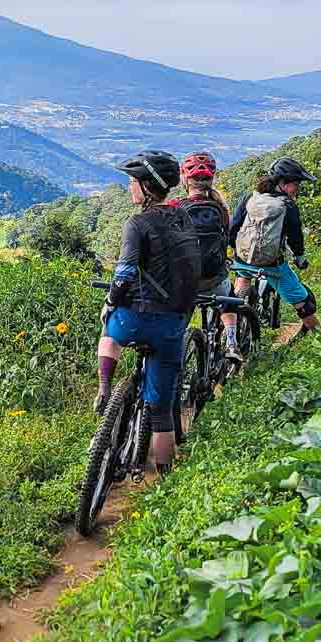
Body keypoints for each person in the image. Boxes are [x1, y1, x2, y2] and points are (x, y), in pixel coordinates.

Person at [95, 150, 202, 474]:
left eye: (132, 182)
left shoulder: (137, 223)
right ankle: (165, 477)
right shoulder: (183, 217)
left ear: (146, 186)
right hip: (173, 323)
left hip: (137, 318)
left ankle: (104, 388)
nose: (129, 187)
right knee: (161, 413)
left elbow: (125, 272)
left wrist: (111, 301)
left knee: (109, 329)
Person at [230, 157, 321, 337]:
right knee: (305, 303)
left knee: (239, 287)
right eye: (296, 184)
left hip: (242, 260)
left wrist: (237, 251)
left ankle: (232, 330)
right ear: (283, 184)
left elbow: (234, 227)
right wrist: (300, 259)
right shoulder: (288, 206)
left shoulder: (250, 197)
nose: (297, 190)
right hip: (272, 265)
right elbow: (296, 238)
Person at [167, 150, 238, 358]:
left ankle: (174, 349)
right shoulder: (220, 208)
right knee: (229, 298)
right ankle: (232, 343)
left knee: (176, 317)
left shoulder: (175, 207)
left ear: (184, 178)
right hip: (213, 280)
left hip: (183, 284)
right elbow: (226, 239)